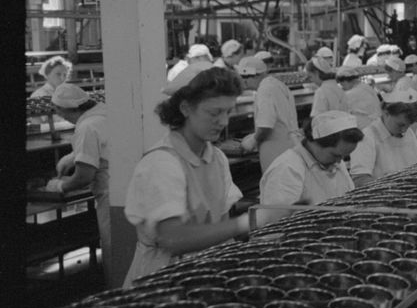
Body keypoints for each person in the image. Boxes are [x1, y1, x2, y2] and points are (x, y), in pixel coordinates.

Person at [122, 64, 249, 287]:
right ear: (185, 108)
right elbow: (172, 238)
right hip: (161, 282)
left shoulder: (216, 158)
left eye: (228, 111)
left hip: (202, 275)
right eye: (214, 112)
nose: (224, 122)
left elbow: (220, 225)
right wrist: (248, 223)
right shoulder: (162, 163)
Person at [45, 83, 112, 284]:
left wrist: (61, 186)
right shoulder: (106, 113)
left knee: (114, 251)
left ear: (69, 110)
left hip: (111, 196)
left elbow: (84, 176)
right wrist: (75, 155)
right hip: (127, 191)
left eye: (59, 110)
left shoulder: (87, 127)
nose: (59, 115)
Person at [258, 111, 363, 226]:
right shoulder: (287, 169)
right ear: (314, 142)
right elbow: (276, 223)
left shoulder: (334, 160)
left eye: (343, 157)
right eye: (335, 155)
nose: (339, 161)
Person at [236, 56, 301, 172]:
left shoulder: (265, 89)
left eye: (245, 77)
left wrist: (253, 141)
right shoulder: (276, 84)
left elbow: (266, 125)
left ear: (255, 75)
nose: (244, 81)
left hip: (276, 153)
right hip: (290, 148)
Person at [350, 90, 417, 186]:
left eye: (408, 125)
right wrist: (390, 188)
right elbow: (360, 179)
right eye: (400, 125)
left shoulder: (408, 133)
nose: (404, 130)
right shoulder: (368, 136)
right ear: (386, 113)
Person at [338, 65, 382, 130]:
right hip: (377, 124)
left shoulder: (351, 94)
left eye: (342, 85)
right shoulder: (365, 87)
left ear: (345, 81)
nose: (343, 87)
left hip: (366, 128)